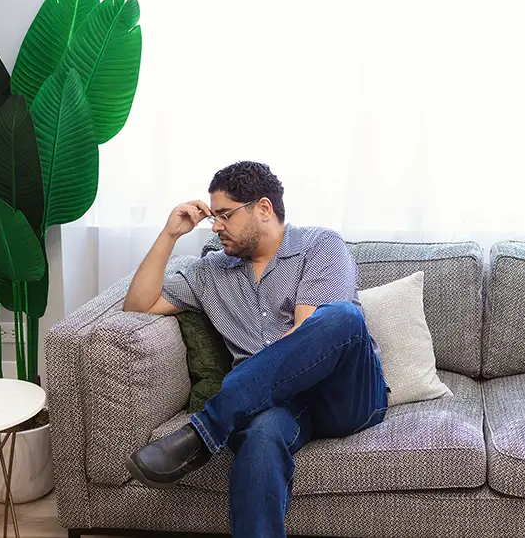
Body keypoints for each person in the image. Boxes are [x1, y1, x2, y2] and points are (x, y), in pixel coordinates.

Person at [122, 161, 388, 538]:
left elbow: (304, 336)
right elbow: (138, 305)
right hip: (273, 406)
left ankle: (204, 431)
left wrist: (240, 388)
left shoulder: (320, 246)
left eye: (224, 215)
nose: (215, 227)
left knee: (342, 317)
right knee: (261, 434)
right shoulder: (211, 271)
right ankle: (221, 422)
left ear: (263, 209)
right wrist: (169, 235)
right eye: (213, 217)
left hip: (343, 394)